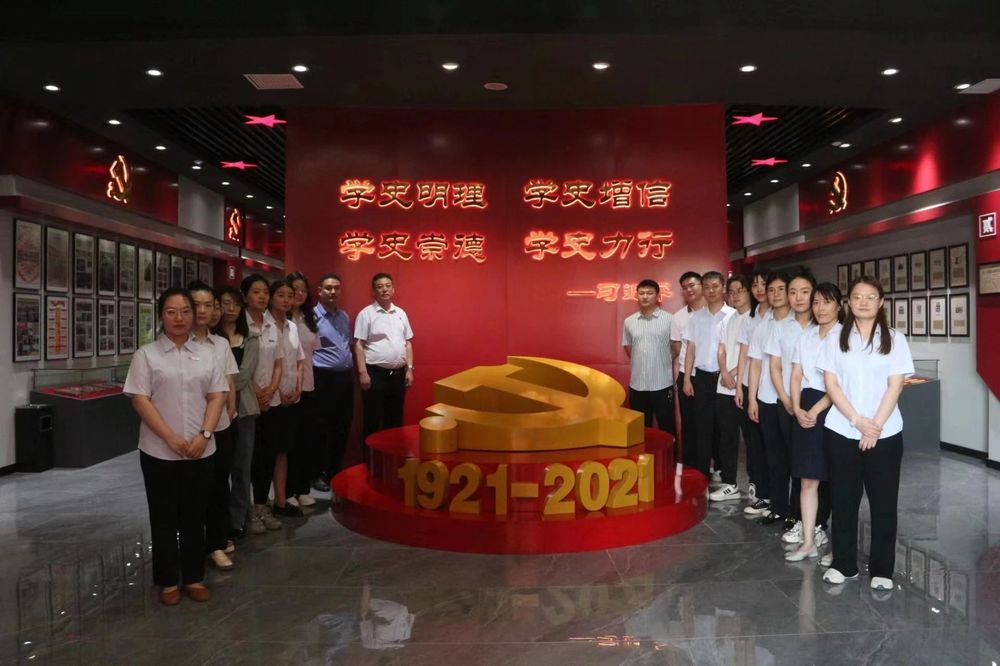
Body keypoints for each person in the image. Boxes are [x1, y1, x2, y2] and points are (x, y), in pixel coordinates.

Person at [123, 288, 227, 605]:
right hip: (158, 450)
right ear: (161, 316)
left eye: (185, 311)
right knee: (163, 515)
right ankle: (168, 581)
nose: (179, 318)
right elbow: (140, 399)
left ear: (193, 316)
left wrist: (204, 434)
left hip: (200, 449)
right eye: (171, 312)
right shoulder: (146, 355)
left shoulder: (208, 354)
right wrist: (169, 437)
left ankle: (194, 577)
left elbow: (217, 395)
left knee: (195, 515)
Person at [818, 276, 913, 590]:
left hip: (885, 433)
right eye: (858, 296)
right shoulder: (835, 338)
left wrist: (875, 426)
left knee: (883, 503)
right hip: (842, 430)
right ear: (849, 302)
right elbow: (831, 384)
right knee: (843, 500)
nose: (863, 302)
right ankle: (844, 564)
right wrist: (857, 420)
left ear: (881, 302)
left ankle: (882, 569)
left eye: (871, 297)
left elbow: (895, 385)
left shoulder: (895, 339)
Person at [785, 282, 843, 562]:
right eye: (817, 302)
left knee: (838, 480)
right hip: (806, 406)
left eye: (827, 302)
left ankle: (838, 546)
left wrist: (817, 409)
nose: (820, 308)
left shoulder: (847, 337)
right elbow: (796, 376)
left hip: (835, 407)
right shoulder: (805, 337)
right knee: (808, 479)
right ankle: (808, 541)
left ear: (839, 306)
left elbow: (840, 383)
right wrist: (797, 407)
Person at [188, 281, 239, 571]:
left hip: (220, 425)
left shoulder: (220, 344)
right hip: (189, 428)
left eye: (208, 305)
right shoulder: (177, 344)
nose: (203, 310)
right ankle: (193, 544)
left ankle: (217, 544)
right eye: (197, 305)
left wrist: (230, 410)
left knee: (219, 485)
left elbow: (229, 380)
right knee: (193, 489)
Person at [766, 272, 817, 538]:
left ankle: (804, 517)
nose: (798, 297)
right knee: (789, 458)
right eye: (793, 292)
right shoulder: (780, 326)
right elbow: (775, 367)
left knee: (808, 464)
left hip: (815, 404)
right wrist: (786, 399)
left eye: (804, 291)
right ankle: (789, 511)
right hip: (786, 402)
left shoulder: (822, 326)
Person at [215, 286, 260, 545]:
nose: (230, 309)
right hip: (214, 412)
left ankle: (238, 519)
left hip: (243, 410)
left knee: (241, 467)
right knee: (219, 468)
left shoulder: (250, 336)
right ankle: (219, 519)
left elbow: (243, 376)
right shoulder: (212, 336)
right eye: (225, 303)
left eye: (235, 304)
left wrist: (217, 389)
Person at [747, 272, 791, 524]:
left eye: (780, 289)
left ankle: (798, 512)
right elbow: (754, 364)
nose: (775, 294)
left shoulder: (800, 323)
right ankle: (778, 505)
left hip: (792, 401)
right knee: (773, 455)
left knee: (795, 457)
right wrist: (752, 398)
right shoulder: (762, 325)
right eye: (771, 290)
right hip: (767, 398)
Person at [682, 271, 734, 477]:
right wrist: (687, 378)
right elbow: (691, 349)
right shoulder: (695, 318)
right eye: (707, 287)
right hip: (702, 378)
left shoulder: (733, 316)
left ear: (723, 288)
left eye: (715, 286)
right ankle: (702, 475)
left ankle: (726, 475)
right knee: (703, 428)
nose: (711, 291)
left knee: (726, 429)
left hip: (725, 378)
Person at [243, 273, 284, 534]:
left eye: (265, 292)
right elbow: (238, 366)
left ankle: (261, 505)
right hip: (247, 402)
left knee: (267, 456)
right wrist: (257, 392)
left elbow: (279, 363)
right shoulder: (240, 325)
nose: (262, 296)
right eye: (256, 292)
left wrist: (270, 390)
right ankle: (246, 509)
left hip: (272, 400)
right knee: (247, 457)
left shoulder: (271, 324)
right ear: (245, 295)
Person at [354, 273, 414, 443]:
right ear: (374, 291)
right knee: (372, 420)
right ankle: (370, 458)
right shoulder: (366, 314)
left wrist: (409, 369)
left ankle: (392, 457)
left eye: (388, 286)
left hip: (398, 375)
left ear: (393, 289)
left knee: (395, 421)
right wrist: (362, 373)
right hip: (375, 374)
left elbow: (407, 343)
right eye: (380, 287)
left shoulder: (401, 313)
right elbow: (358, 345)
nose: (384, 289)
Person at [709, 275, 752, 501]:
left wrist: (733, 374)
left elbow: (752, 354)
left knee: (752, 440)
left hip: (746, 385)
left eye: (740, 291)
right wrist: (724, 373)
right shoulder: (728, 319)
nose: (735, 296)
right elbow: (721, 349)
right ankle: (729, 484)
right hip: (725, 387)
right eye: (732, 292)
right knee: (727, 437)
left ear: (749, 292)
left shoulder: (755, 318)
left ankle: (756, 486)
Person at [311, 273, 355, 492]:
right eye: (328, 288)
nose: (333, 292)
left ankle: (335, 470)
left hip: (345, 378)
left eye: (336, 288)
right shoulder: (312, 317)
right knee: (321, 428)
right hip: (322, 378)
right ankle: (318, 473)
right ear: (319, 290)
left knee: (342, 426)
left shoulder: (344, 316)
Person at [266, 278, 306, 518]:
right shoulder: (264, 325)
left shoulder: (292, 326)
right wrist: (277, 391)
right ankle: (262, 503)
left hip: (292, 396)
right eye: (281, 295)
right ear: (271, 297)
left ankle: (281, 501)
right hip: (271, 399)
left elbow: (299, 361)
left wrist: (298, 388)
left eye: (290, 296)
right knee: (269, 452)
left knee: (284, 450)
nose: (286, 300)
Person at [736, 270, 771, 515]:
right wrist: (739, 385)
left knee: (771, 446)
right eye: (755, 285)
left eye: (764, 284)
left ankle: (774, 496)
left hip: (771, 389)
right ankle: (760, 493)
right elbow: (744, 354)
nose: (760, 289)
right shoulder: (750, 317)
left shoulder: (778, 317)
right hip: (751, 386)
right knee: (754, 444)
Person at [622, 279, 675, 435]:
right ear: (637, 296)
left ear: (657, 296)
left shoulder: (669, 319)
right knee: (640, 431)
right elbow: (628, 346)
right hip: (637, 385)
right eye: (641, 293)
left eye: (650, 293)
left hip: (662, 384)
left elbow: (676, 347)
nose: (645, 296)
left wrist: (662, 359)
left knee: (667, 427)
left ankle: (670, 453)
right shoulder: (629, 321)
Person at [286, 271, 321, 508]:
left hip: (308, 385)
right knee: (289, 442)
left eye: (302, 290)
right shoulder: (280, 319)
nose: (299, 294)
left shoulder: (310, 319)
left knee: (306, 440)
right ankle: (287, 491)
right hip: (287, 388)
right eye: (294, 290)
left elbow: (312, 352)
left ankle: (302, 488)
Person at [670, 272, 704, 469]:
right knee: (689, 422)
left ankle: (712, 466)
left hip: (710, 375)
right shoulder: (678, 317)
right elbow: (676, 347)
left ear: (702, 285)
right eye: (685, 287)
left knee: (710, 423)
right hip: (686, 375)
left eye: (692, 285)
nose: (689, 290)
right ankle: (690, 466)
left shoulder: (715, 312)